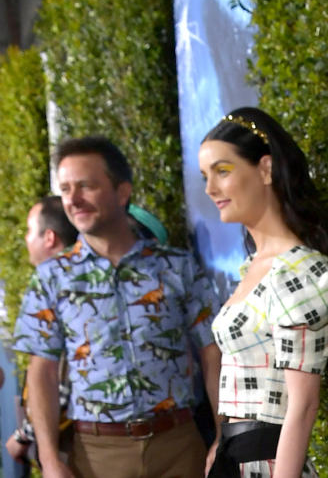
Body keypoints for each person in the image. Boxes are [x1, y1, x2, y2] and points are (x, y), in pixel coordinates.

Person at [12, 136, 222, 478]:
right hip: (96, 456)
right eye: (65, 189)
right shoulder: (51, 277)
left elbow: (213, 353)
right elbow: (42, 372)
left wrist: (223, 434)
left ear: (122, 192)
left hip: (179, 448)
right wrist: (50, 461)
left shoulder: (177, 266)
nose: (73, 199)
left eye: (86, 186)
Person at [199, 108, 328, 478]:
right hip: (234, 459)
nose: (210, 189)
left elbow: (303, 405)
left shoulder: (300, 274)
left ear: (265, 169)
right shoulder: (254, 267)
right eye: (205, 176)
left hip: (270, 465)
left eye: (222, 171)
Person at [6, 196, 77, 474]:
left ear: (49, 237)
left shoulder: (67, 288)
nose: (24, 239)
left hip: (75, 445)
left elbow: (63, 380)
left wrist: (25, 434)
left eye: (28, 230)